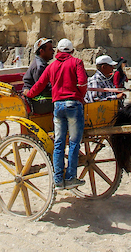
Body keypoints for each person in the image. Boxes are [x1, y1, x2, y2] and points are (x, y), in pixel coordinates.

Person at [24, 38, 87, 189]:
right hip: (73, 105)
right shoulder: (76, 62)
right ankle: (71, 177)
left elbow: (38, 86)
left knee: (59, 142)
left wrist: (29, 94)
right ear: (71, 51)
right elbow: (83, 83)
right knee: (73, 142)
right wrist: (80, 96)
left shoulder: (51, 66)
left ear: (58, 51)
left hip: (57, 106)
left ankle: (58, 179)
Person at [22, 39, 54, 112]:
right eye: (50, 49)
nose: (53, 51)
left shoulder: (42, 64)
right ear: (42, 51)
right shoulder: (39, 67)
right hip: (35, 100)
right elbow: (42, 88)